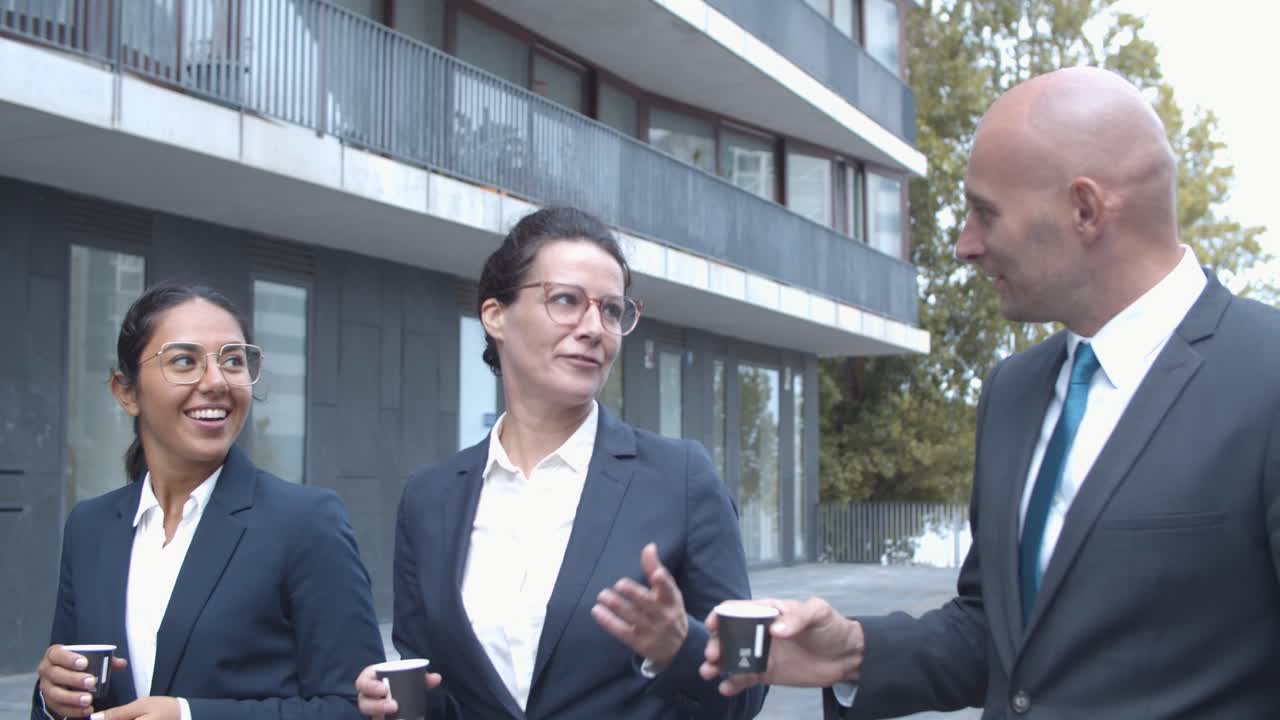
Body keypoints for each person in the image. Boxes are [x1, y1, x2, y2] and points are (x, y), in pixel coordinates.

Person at [700, 66, 1280, 718]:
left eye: (984, 212)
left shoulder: (1267, 377)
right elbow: (997, 637)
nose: (964, 246)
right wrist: (853, 651)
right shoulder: (1013, 391)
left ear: (1085, 210)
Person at [355, 206, 766, 720]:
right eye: (567, 300)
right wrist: (394, 702)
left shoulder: (681, 478)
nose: (595, 328)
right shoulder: (429, 498)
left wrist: (679, 648)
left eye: (612, 310)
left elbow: (747, 694)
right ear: (495, 315)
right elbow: (438, 687)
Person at [33, 283, 384, 720]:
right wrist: (53, 699)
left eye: (233, 360)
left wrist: (187, 715)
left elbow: (358, 707)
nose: (216, 382)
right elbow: (67, 692)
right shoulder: (90, 527)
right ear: (126, 392)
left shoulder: (305, 523)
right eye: (184, 361)